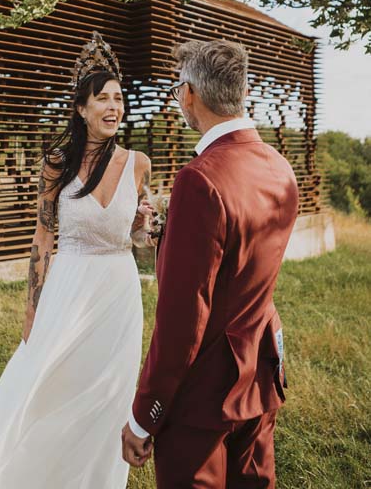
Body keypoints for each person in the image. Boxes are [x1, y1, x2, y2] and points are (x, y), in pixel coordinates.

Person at [0, 31, 156, 489]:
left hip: (119, 293)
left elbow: (140, 239)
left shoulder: (139, 163)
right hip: (69, 285)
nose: (113, 107)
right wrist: (31, 311)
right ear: (82, 109)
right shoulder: (56, 163)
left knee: (107, 395)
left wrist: (147, 225)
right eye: (101, 99)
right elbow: (42, 240)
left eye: (118, 99)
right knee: (44, 384)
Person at [122, 39, 299, 489]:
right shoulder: (281, 168)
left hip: (203, 397)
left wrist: (145, 417)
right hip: (259, 377)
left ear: (189, 94)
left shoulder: (199, 179)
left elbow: (183, 320)